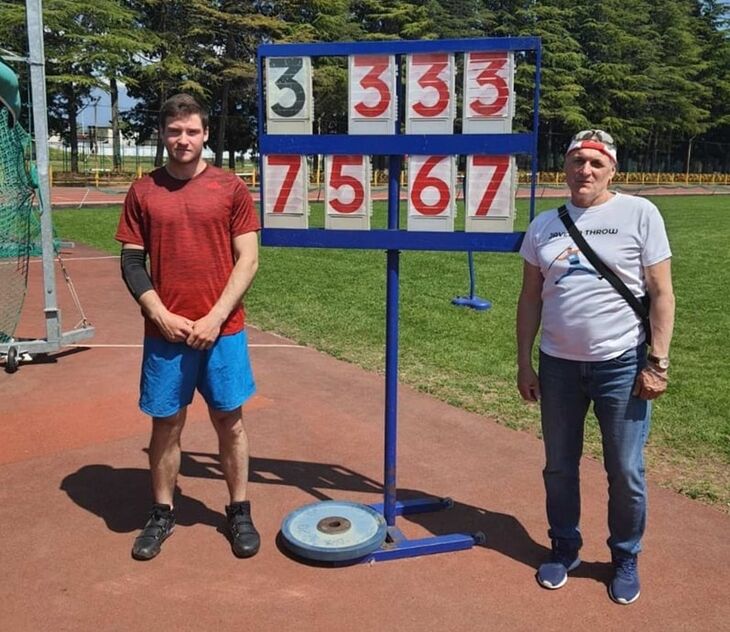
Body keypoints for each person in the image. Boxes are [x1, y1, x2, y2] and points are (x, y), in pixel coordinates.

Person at [516, 129, 675, 604]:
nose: (585, 170)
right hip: (558, 366)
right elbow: (530, 297)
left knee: (625, 470)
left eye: (596, 163)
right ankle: (564, 547)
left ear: (612, 170)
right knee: (559, 467)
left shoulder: (639, 213)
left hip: (621, 365)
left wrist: (658, 362)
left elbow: (661, 292)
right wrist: (524, 362)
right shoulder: (544, 225)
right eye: (577, 161)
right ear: (565, 167)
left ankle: (624, 556)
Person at [115, 93, 261, 561]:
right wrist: (158, 312)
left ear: (205, 135)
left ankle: (239, 510)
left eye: (192, 131)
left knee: (230, 422)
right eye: (175, 131)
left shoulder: (230, 188)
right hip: (167, 333)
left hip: (224, 331)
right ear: (163, 133)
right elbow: (131, 262)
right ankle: (162, 512)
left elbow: (248, 259)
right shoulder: (144, 192)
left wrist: (215, 317)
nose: (184, 139)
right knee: (166, 424)